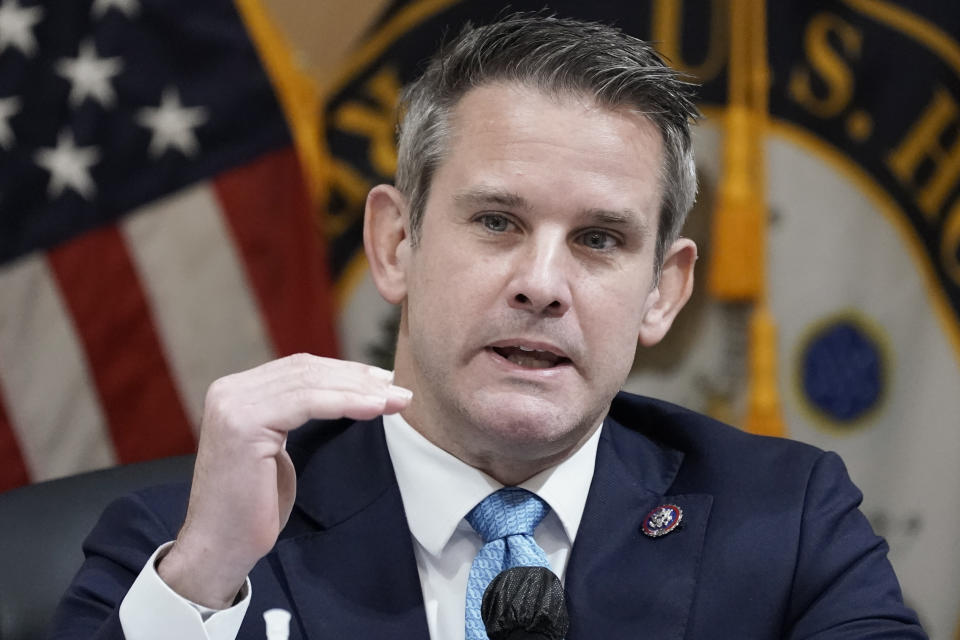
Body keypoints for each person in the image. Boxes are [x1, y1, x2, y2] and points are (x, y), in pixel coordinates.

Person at [50, 13, 926, 640]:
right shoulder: (181, 548)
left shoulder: (784, 522)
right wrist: (205, 579)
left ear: (663, 291)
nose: (543, 285)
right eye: (498, 222)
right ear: (396, 243)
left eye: (599, 238)